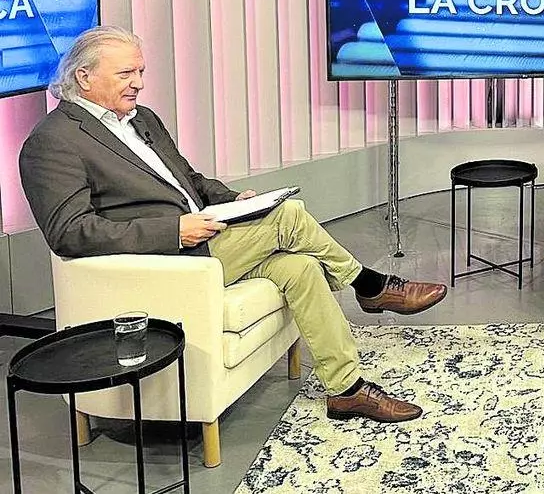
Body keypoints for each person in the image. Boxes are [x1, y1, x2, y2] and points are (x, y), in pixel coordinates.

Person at [19, 25, 448, 423]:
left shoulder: (141, 119)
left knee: (299, 267)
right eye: (126, 73)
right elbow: (69, 233)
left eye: (141, 72)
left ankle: (346, 390)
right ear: (84, 77)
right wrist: (175, 231)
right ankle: (370, 286)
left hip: (203, 239)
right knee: (289, 216)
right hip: (166, 259)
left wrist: (233, 200)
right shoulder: (53, 141)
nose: (139, 83)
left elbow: (189, 181)